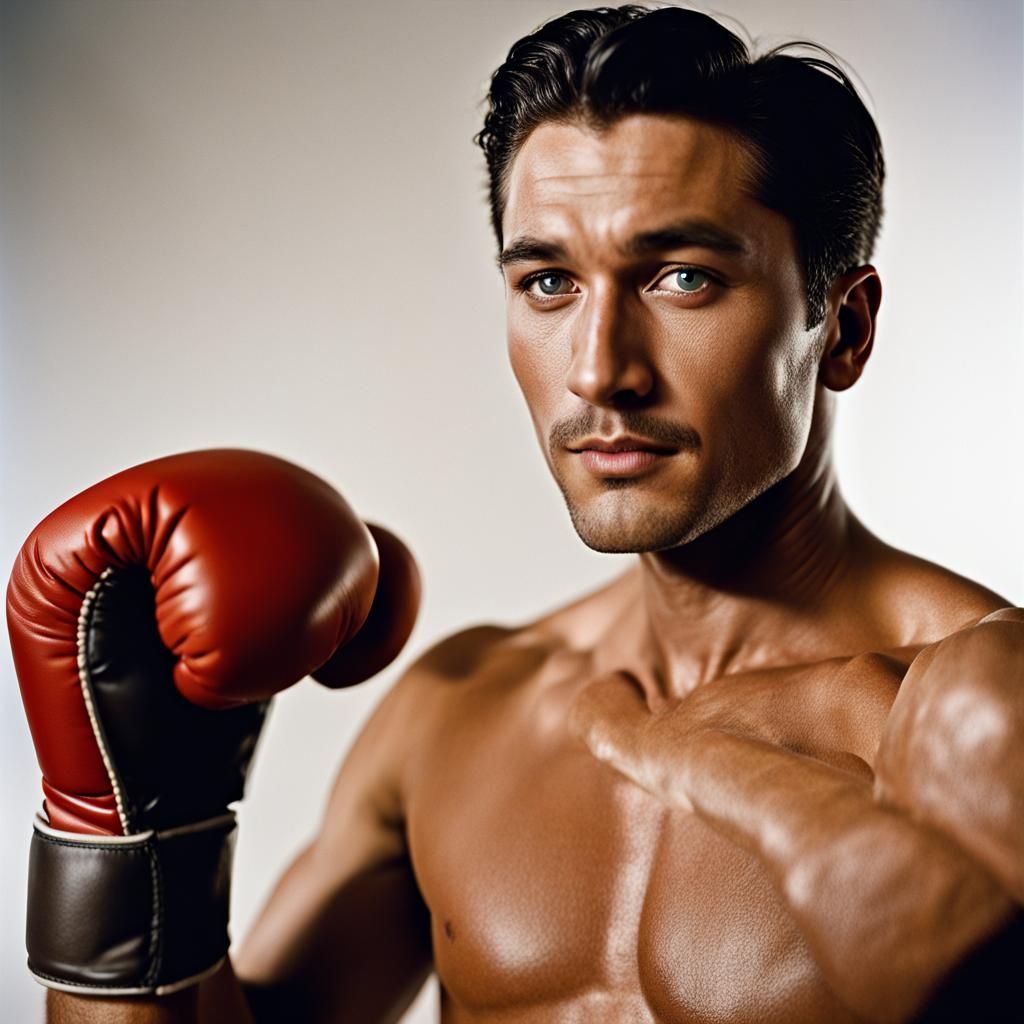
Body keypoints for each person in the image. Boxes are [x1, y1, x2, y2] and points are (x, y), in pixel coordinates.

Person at [16, 5, 1022, 1022]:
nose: (598, 370)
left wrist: (714, 766)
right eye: (547, 281)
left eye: (683, 278)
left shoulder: (973, 706)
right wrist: (127, 827)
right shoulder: (456, 711)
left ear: (843, 329)